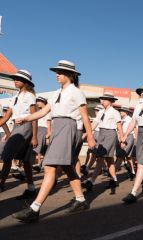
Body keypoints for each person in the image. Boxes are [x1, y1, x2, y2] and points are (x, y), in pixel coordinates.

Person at [12, 60, 96, 222]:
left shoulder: (76, 92)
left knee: (50, 167)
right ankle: (81, 200)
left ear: (70, 75)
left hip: (69, 127)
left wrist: (91, 137)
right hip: (58, 127)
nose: (57, 74)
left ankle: (34, 209)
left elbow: (85, 116)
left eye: (61, 72)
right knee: (67, 167)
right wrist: (26, 118)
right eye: (56, 71)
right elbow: (43, 112)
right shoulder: (56, 93)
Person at [0, 69, 36, 199]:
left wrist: (35, 137)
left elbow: (34, 117)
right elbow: (6, 117)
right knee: (25, 161)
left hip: (26, 127)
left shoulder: (30, 96)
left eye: (18, 79)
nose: (15, 81)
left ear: (25, 82)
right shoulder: (15, 97)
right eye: (14, 79)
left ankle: (1, 184)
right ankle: (31, 189)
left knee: (7, 155)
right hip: (16, 126)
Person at [82, 92, 122, 191]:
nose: (101, 101)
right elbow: (94, 124)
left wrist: (122, 139)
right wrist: (86, 134)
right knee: (109, 160)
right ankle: (114, 180)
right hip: (101, 134)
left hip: (110, 134)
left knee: (100, 157)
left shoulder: (115, 112)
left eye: (104, 99)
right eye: (101, 99)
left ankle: (91, 181)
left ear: (110, 101)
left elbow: (119, 127)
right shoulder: (100, 112)